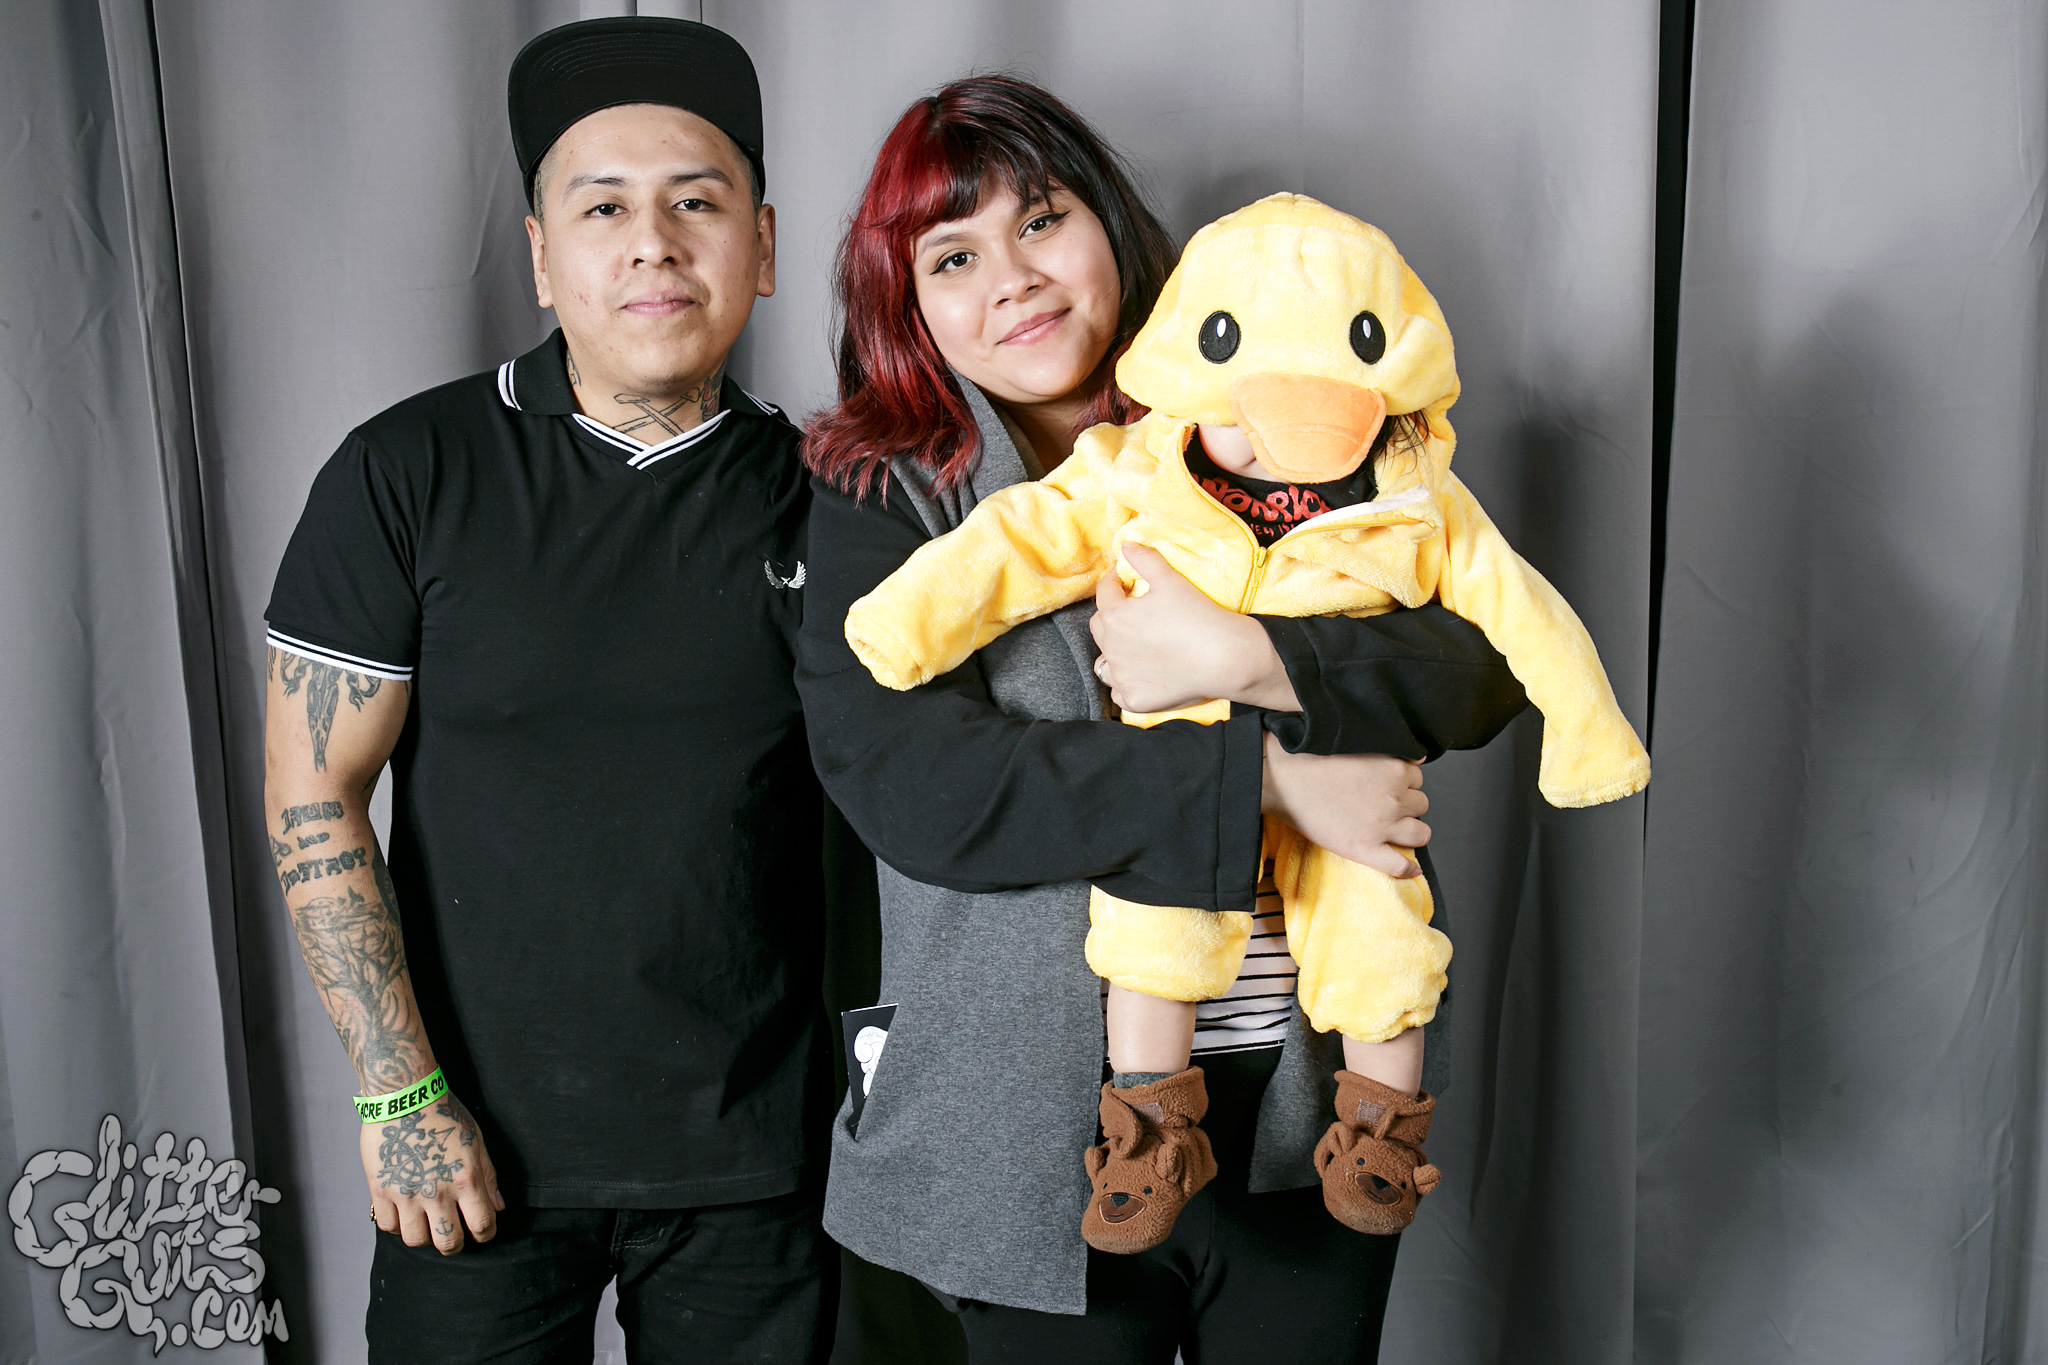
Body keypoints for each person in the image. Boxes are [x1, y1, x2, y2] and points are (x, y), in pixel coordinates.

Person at [796, 75, 1530, 1361]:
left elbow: (1480, 661)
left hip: (1303, 1102)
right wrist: (1272, 784)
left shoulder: (1276, 414)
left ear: (1111, 226)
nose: (1013, 280)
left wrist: (1247, 652)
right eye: (954, 257)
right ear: (904, 303)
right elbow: (914, 784)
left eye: (1041, 221)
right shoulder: (885, 494)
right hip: (1029, 1113)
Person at [262, 18, 833, 1363]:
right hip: (469, 1158)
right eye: (604, 207)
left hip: (754, 1162)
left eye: (697, 203)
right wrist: (399, 1095)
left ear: (761, 247)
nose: (653, 244)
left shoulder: (837, 498)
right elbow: (313, 788)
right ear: (539, 255)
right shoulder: (407, 471)